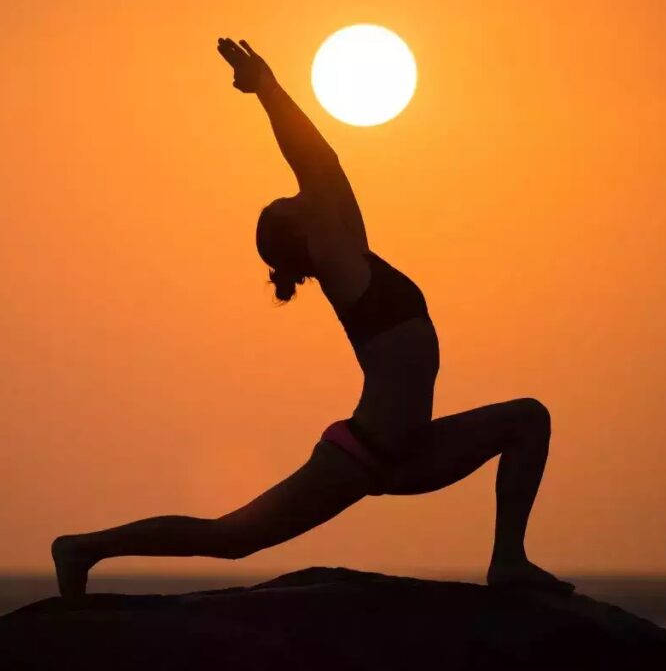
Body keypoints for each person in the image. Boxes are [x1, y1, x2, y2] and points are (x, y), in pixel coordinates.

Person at [51, 38, 573, 598]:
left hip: (413, 451)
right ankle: (84, 548)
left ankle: (509, 561)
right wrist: (269, 93)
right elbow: (318, 161)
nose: (300, 195)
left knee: (528, 419)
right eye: (287, 201)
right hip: (364, 452)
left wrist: (272, 93)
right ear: (298, 236)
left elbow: (327, 170)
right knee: (232, 537)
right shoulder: (336, 262)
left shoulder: (353, 254)